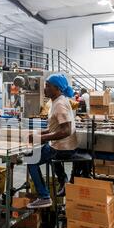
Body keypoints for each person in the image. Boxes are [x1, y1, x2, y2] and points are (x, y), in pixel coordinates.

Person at [26, 74, 79, 209]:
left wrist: (41, 138)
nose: (44, 89)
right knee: (45, 150)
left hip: (63, 149)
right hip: (63, 147)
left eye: (48, 86)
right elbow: (54, 129)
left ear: (57, 88)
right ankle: (63, 182)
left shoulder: (60, 104)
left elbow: (65, 131)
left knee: (31, 159)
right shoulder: (57, 101)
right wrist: (39, 134)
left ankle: (44, 197)